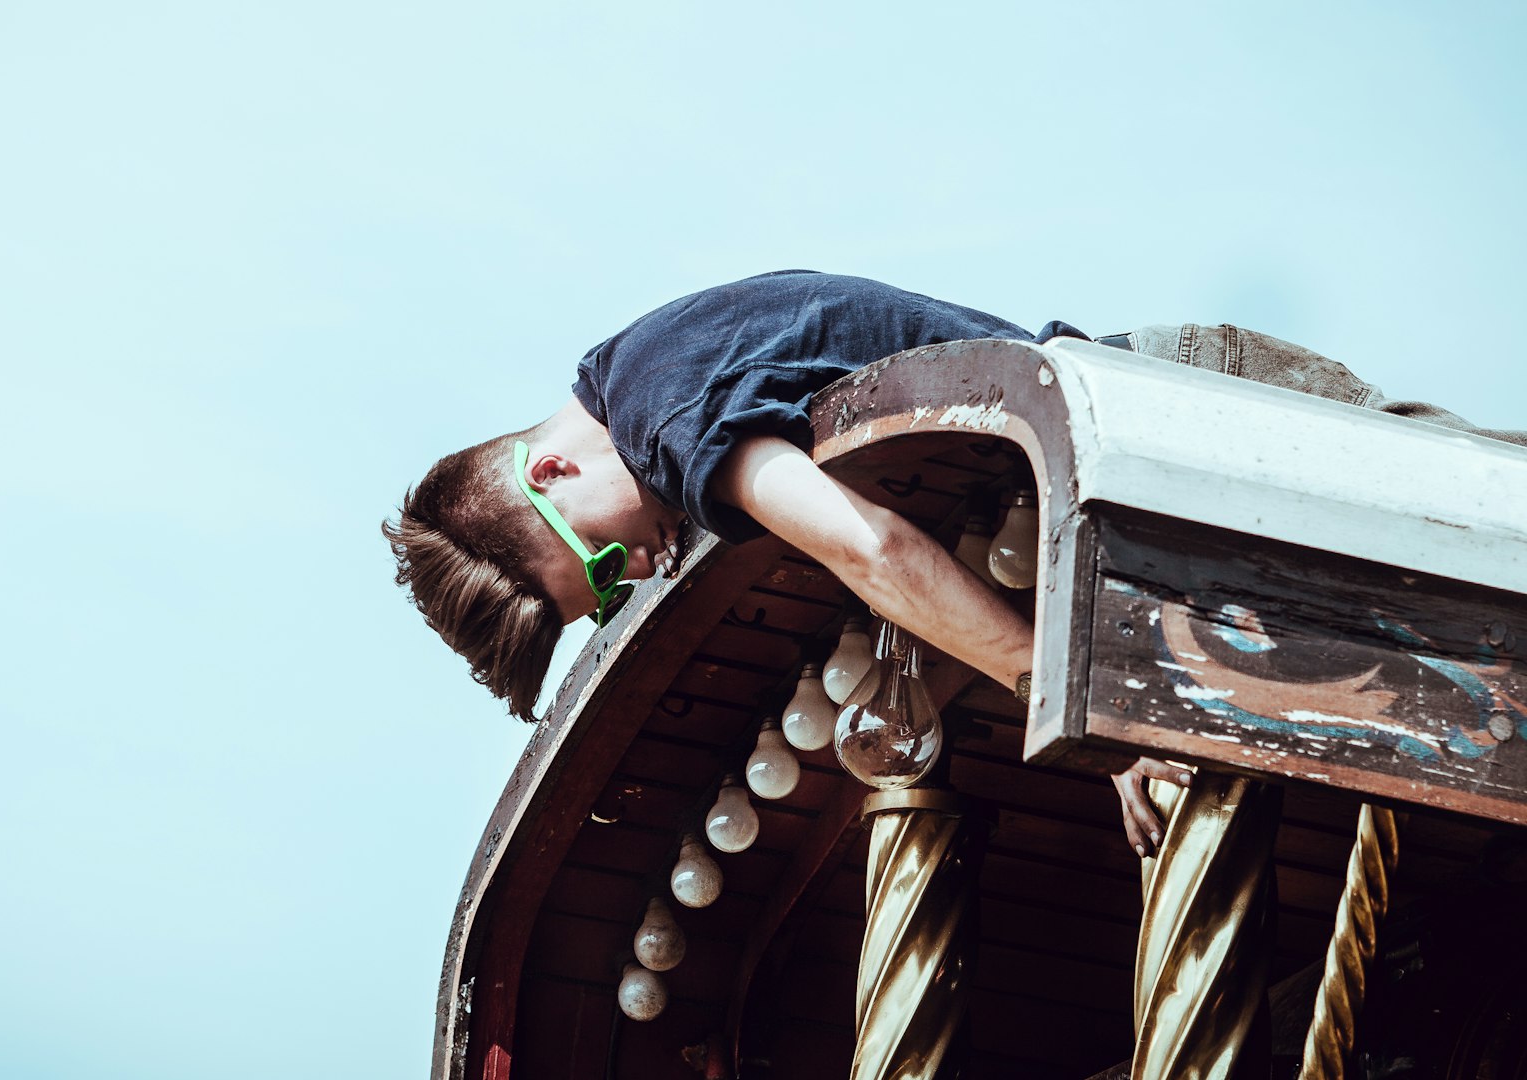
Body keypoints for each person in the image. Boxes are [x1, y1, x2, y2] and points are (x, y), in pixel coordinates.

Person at [383, 270, 1525, 857]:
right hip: (1167, 434)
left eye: (609, 570)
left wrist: (1084, 702)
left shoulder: (672, 421)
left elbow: (869, 545)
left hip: (1191, 423)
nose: (640, 570)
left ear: (555, 478)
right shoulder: (647, 361)